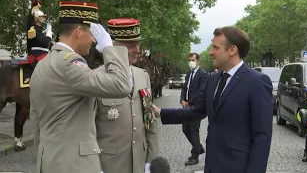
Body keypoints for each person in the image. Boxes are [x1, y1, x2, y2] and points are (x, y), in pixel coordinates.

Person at [152, 26, 273, 173]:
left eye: (215, 47)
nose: (210, 52)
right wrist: (160, 112)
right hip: (212, 165)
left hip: (238, 167)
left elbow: (262, 137)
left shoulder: (257, 82)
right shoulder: (213, 80)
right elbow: (197, 111)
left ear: (232, 50)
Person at [29, 1, 131, 173]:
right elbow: (121, 85)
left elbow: (36, 121)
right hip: (74, 165)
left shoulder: (43, 64)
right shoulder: (70, 63)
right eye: (91, 34)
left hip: (51, 161)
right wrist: (109, 49)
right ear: (78, 31)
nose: (93, 40)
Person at [95, 18, 159, 173]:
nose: (137, 50)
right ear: (113, 47)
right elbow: (87, 129)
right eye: (130, 45)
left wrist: (151, 160)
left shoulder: (143, 76)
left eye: (137, 44)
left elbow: (149, 123)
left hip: (139, 162)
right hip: (109, 164)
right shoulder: (96, 78)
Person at [180, 52, 208, 165]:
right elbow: (184, 88)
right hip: (186, 106)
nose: (191, 62)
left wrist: (189, 102)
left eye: (193, 60)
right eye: (189, 60)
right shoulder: (188, 73)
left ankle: (194, 156)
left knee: (193, 130)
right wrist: (182, 100)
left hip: (196, 107)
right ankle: (199, 148)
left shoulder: (203, 74)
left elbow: (201, 91)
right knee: (185, 129)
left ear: (198, 61)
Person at [26, 0, 52, 69]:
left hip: (44, 55)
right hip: (36, 57)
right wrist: (49, 34)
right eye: (43, 16)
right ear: (37, 18)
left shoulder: (41, 31)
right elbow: (45, 42)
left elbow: (48, 45)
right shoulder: (32, 30)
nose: (44, 18)